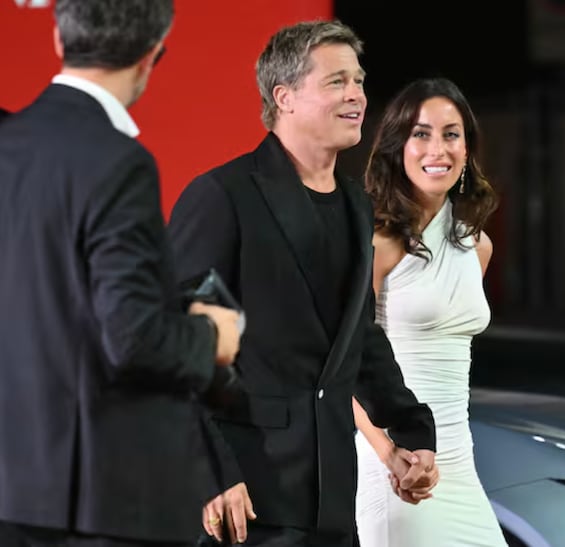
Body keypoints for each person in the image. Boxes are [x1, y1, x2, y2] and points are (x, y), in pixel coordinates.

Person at [166, 19, 438, 547]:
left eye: (358, 81)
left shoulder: (357, 204)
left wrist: (410, 431)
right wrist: (210, 473)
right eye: (336, 81)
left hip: (332, 498)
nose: (356, 94)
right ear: (283, 97)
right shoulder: (223, 195)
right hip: (244, 499)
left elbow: (357, 337)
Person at [0, 1, 242, 545]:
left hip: (15, 490)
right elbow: (134, 338)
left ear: (61, 42)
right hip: (96, 502)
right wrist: (212, 336)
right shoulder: (117, 161)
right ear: (152, 53)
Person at [352, 77, 506, 546]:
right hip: (396, 462)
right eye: (421, 134)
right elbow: (341, 366)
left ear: (467, 149)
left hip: (459, 464)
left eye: (450, 134)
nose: (437, 148)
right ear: (398, 146)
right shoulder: (375, 242)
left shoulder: (477, 246)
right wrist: (390, 454)